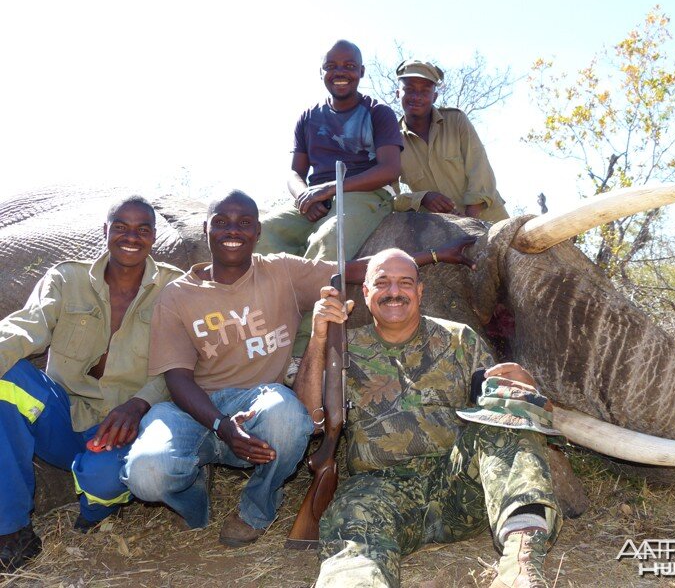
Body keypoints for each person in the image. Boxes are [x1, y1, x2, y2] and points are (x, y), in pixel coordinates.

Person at [122, 191, 475, 548]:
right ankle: (193, 498)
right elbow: (177, 379)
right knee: (146, 476)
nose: (233, 230)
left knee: (290, 418)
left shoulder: (282, 271)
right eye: (222, 222)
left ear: (258, 231)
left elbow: (357, 270)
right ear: (206, 228)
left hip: (260, 403)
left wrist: (433, 255)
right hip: (195, 408)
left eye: (244, 223)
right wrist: (221, 425)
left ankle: (256, 510)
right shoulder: (177, 294)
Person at [295, 248, 561, 588]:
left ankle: (520, 566)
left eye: (405, 282)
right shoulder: (344, 348)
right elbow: (307, 416)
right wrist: (319, 338)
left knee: (506, 421)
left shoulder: (459, 339)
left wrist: (528, 392)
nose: (394, 291)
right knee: (352, 524)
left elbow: (509, 414)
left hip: (459, 489)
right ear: (365, 293)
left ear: (420, 291)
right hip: (378, 494)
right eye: (382, 283)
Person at [0, 197, 183, 571]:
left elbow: (182, 364)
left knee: (101, 478)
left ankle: (97, 507)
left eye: (142, 229)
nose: (131, 237)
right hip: (62, 419)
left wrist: (140, 404)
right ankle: (11, 528)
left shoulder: (175, 288)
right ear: (105, 231)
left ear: (153, 237)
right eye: (121, 226)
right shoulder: (66, 278)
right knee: (8, 377)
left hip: (127, 425)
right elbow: (24, 329)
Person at [258, 39, 403, 262]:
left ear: (361, 71)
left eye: (349, 66)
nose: (340, 72)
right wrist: (303, 198)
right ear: (321, 72)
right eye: (331, 66)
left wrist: (329, 189)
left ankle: (318, 296)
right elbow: (294, 172)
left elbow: (390, 169)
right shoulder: (308, 117)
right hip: (317, 197)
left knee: (328, 239)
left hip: (366, 195)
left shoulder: (378, 112)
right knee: (260, 234)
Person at [392, 60, 510, 223]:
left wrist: (469, 219)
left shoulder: (456, 120)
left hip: (490, 220)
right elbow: (390, 198)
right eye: (409, 90)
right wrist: (422, 198)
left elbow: (479, 167)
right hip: (442, 234)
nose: (416, 97)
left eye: (425, 91)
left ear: (434, 96)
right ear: (398, 93)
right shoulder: (392, 140)